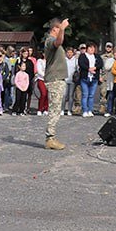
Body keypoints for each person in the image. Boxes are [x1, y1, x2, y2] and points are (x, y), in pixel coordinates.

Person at [43, 18, 69, 150]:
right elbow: (58, 42)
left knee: (56, 109)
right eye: (59, 29)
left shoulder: (50, 41)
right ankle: (50, 138)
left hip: (57, 79)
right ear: (55, 29)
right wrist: (63, 29)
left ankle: (51, 137)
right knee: (54, 110)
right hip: (54, 79)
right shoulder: (50, 41)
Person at [77, 43, 101, 118]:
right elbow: (81, 64)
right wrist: (88, 69)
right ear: (87, 49)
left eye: (93, 48)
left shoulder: (97, 56)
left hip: (94, 78)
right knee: (85, 94)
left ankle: (90, 110)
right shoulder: (82, 56)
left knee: (91, 95)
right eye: (90, 48)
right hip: (85, 77)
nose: (92, 49)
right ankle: (85, 110)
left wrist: (95, 68)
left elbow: (100, 64)